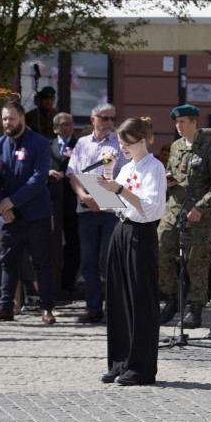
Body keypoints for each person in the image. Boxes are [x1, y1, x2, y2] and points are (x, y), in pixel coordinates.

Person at [97, 117, 167, 386]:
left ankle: (140, 367)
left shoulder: (155, 168)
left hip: (141, 234)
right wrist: (108, 173)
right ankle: (120, 362)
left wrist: (120, 189)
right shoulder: (126, 168)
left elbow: (151, 209)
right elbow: (110, 204)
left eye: (126, 144)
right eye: (120, 143)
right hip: (121, 231)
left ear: (142, 141)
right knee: (118, 299)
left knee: (140, 301)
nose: (122, 148)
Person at [0, 100, 56, 324]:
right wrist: (1, 205)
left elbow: (39, 179)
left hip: (37, 214)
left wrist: (11, 202)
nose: (7, 123)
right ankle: (6, 307)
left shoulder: (40, 143)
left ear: (22, 119)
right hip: (9, 217)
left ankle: (47, 309)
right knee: (8, 262)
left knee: (42, 262)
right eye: (4, 119)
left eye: (11, 119)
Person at [158, 103, 211, 329]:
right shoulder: (175, 146)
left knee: (197, 261)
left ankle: (195, 308)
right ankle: (172, 298)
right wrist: (168, 178)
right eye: (176, 122)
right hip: (173, 209)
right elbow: (174, 172)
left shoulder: (210, 146)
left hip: (198, 215)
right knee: (161, 250)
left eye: (182, 121)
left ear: (194, 122)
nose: (178, 126)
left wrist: (201, 207)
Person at [67, 103, 128, 324]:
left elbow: (129, 176)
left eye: (113, 118)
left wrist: (109, 191)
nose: (110, 123)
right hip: (86, 210)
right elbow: (72, 172)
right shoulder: (82, 143)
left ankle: (114, 310)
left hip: (112, 211)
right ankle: (94, 308)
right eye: (105, 118)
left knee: (112, 261)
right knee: (89, 261)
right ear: (93, 120)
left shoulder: (120, 144)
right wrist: (84, 196)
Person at [49, 112, 80, 291]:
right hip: (52, 202)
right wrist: (48, 172)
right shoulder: (48, 145)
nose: (66, 127)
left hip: (72, 202)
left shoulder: (79, 146)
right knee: (51, 243)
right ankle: (51, 282)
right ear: (55, 128)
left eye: (69, 123)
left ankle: (68, 282)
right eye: (62, 124)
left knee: (73, 244)